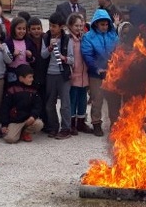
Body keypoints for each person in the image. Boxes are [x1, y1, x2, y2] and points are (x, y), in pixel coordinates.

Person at [81, 9, 119, 137]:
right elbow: (87, 55)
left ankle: (115, 123)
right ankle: (96, 123)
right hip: (96, 74)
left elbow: (118, 51)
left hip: (112, 73)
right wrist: (97, 68)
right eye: (102, 24)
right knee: (97, 99)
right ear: (96, 24)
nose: (104, 26)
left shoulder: (113, 35)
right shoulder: (88, 37)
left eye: (106, 24)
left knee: (113, 100)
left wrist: (114, 65)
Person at [41, 12, 74, 139]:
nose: (51, 28)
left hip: (63, 75)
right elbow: (43, 55)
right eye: (50, 25)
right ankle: (53, 127)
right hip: (50, 74)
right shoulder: (46, 37)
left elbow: (72, 60)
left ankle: (66, 128)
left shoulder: (67, 40)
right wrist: (49, 48)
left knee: (65, 103)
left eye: (54, 26)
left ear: (61, 27)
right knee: (50, 104)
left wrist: (63, 57)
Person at [0, 64, 44, 143]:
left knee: (39, 124)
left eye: (32, 77)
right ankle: (17, 132)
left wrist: (33, 116)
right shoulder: (11, 89)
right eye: (29, 77)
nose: (32, 79)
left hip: (28, 120)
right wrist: (4, 124)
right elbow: (5, 108)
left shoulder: (33, 89)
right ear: (21, 78)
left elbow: (38, 105)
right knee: (10, 139)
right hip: (15, 121)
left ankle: (26, 132)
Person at [67, 13, 91, 135]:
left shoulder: (85, 38)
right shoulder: (69, 40)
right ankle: (71, 123)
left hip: (84, 74)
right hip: (74, 74)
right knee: (73, 99)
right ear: (70, 26)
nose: (79, 28)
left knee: (83, 99)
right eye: (76, 25)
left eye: (81, 26)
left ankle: (81, 122)